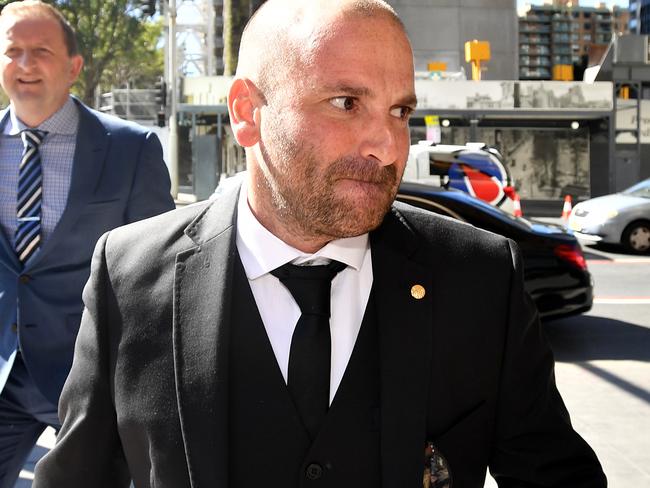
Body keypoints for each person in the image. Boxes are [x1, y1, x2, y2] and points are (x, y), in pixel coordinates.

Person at [34, 0, 606, 487]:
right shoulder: (130, 275)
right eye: (345, 103)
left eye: (400, 110)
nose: (386, 145)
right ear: (247, 113)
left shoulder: (479, 279)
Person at [0, 1, 174, 486]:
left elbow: (158, 270)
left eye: (41, 51)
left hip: (93, 379)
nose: (25, 64)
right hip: (4, 374)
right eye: (13, 51)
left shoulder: (130, 149)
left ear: (74, 66)